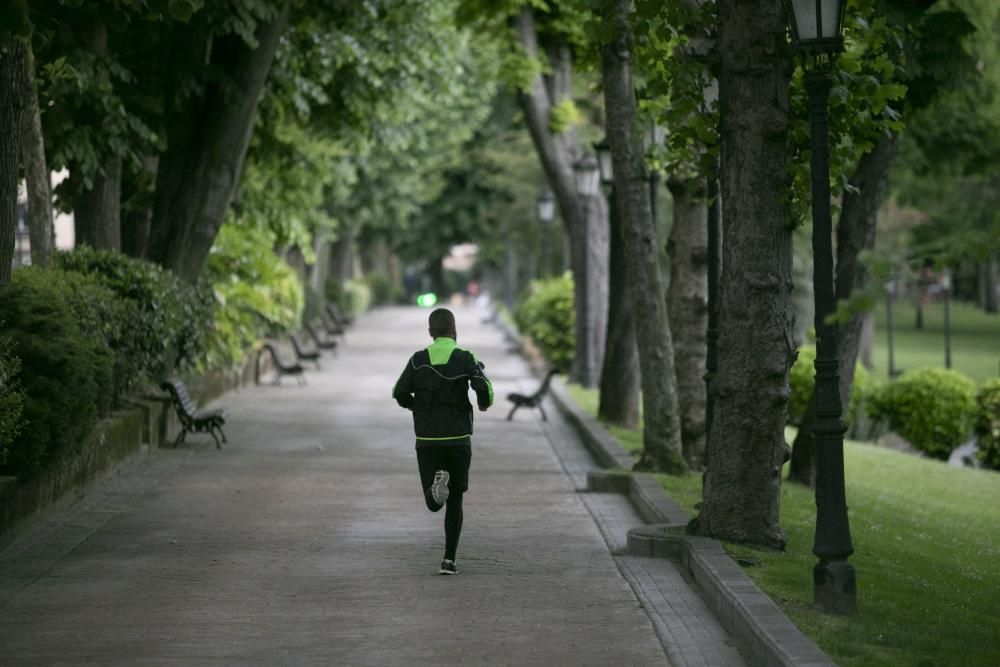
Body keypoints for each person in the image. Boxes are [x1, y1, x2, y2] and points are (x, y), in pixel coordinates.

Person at [392, 308, 494, 575]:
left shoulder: (417, 360)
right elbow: (484, 387)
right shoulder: (465, 357)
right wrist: (483, 404)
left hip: (427, 438)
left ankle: (436, 487)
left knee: (433, 501)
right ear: (455, 330)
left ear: (430, 333)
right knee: (456, 500)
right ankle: (449, 560)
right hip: (458, 438)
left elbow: (399, 392)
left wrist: (416, 407)